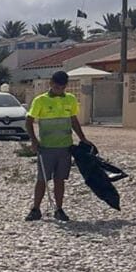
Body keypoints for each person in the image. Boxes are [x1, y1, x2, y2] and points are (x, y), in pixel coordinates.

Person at [25, 70, 89, 222]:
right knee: (42, 179)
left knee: (60, 179)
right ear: (51, 84)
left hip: (65, 147)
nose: (59, 90)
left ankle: (59, 209)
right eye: (56, 87)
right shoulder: (40, 100)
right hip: (46, 147)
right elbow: (29, 121)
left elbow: (73, 120)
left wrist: (82, 138)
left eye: (62, 87)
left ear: (65, 86)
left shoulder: (70, 99)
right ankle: (35, 209)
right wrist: (34, 140)